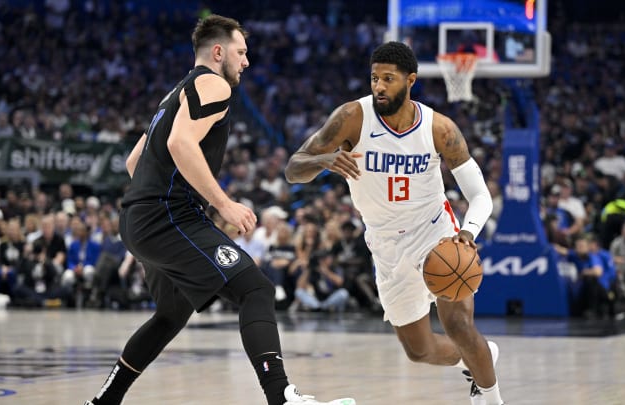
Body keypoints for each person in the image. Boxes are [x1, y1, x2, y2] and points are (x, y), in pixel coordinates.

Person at [84, 15, 355, 405]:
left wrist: (152, 200)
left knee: (170, 315)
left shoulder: (173, 94)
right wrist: (223, 204)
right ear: (218, 51)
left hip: (140, 218)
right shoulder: (213, 83)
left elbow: (134, 162)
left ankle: (104, 401)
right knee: (256, 289)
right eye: (241, 52)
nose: (246, 61)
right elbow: (180, 144)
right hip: (168, 216)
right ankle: (282, 398)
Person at [285, 41, 503, 405]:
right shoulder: (352, 117)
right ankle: (481, 358)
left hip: (436, 232)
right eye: (374, 78)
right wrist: (323, 160)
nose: (379, 86)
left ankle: (490, 396)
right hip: (385, 243)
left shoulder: (440, 129)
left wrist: (467, 233)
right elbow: (294, 168)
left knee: (460, 326)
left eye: (388, 78)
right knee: (418, 351)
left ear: (410, 80)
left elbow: (480, 195)